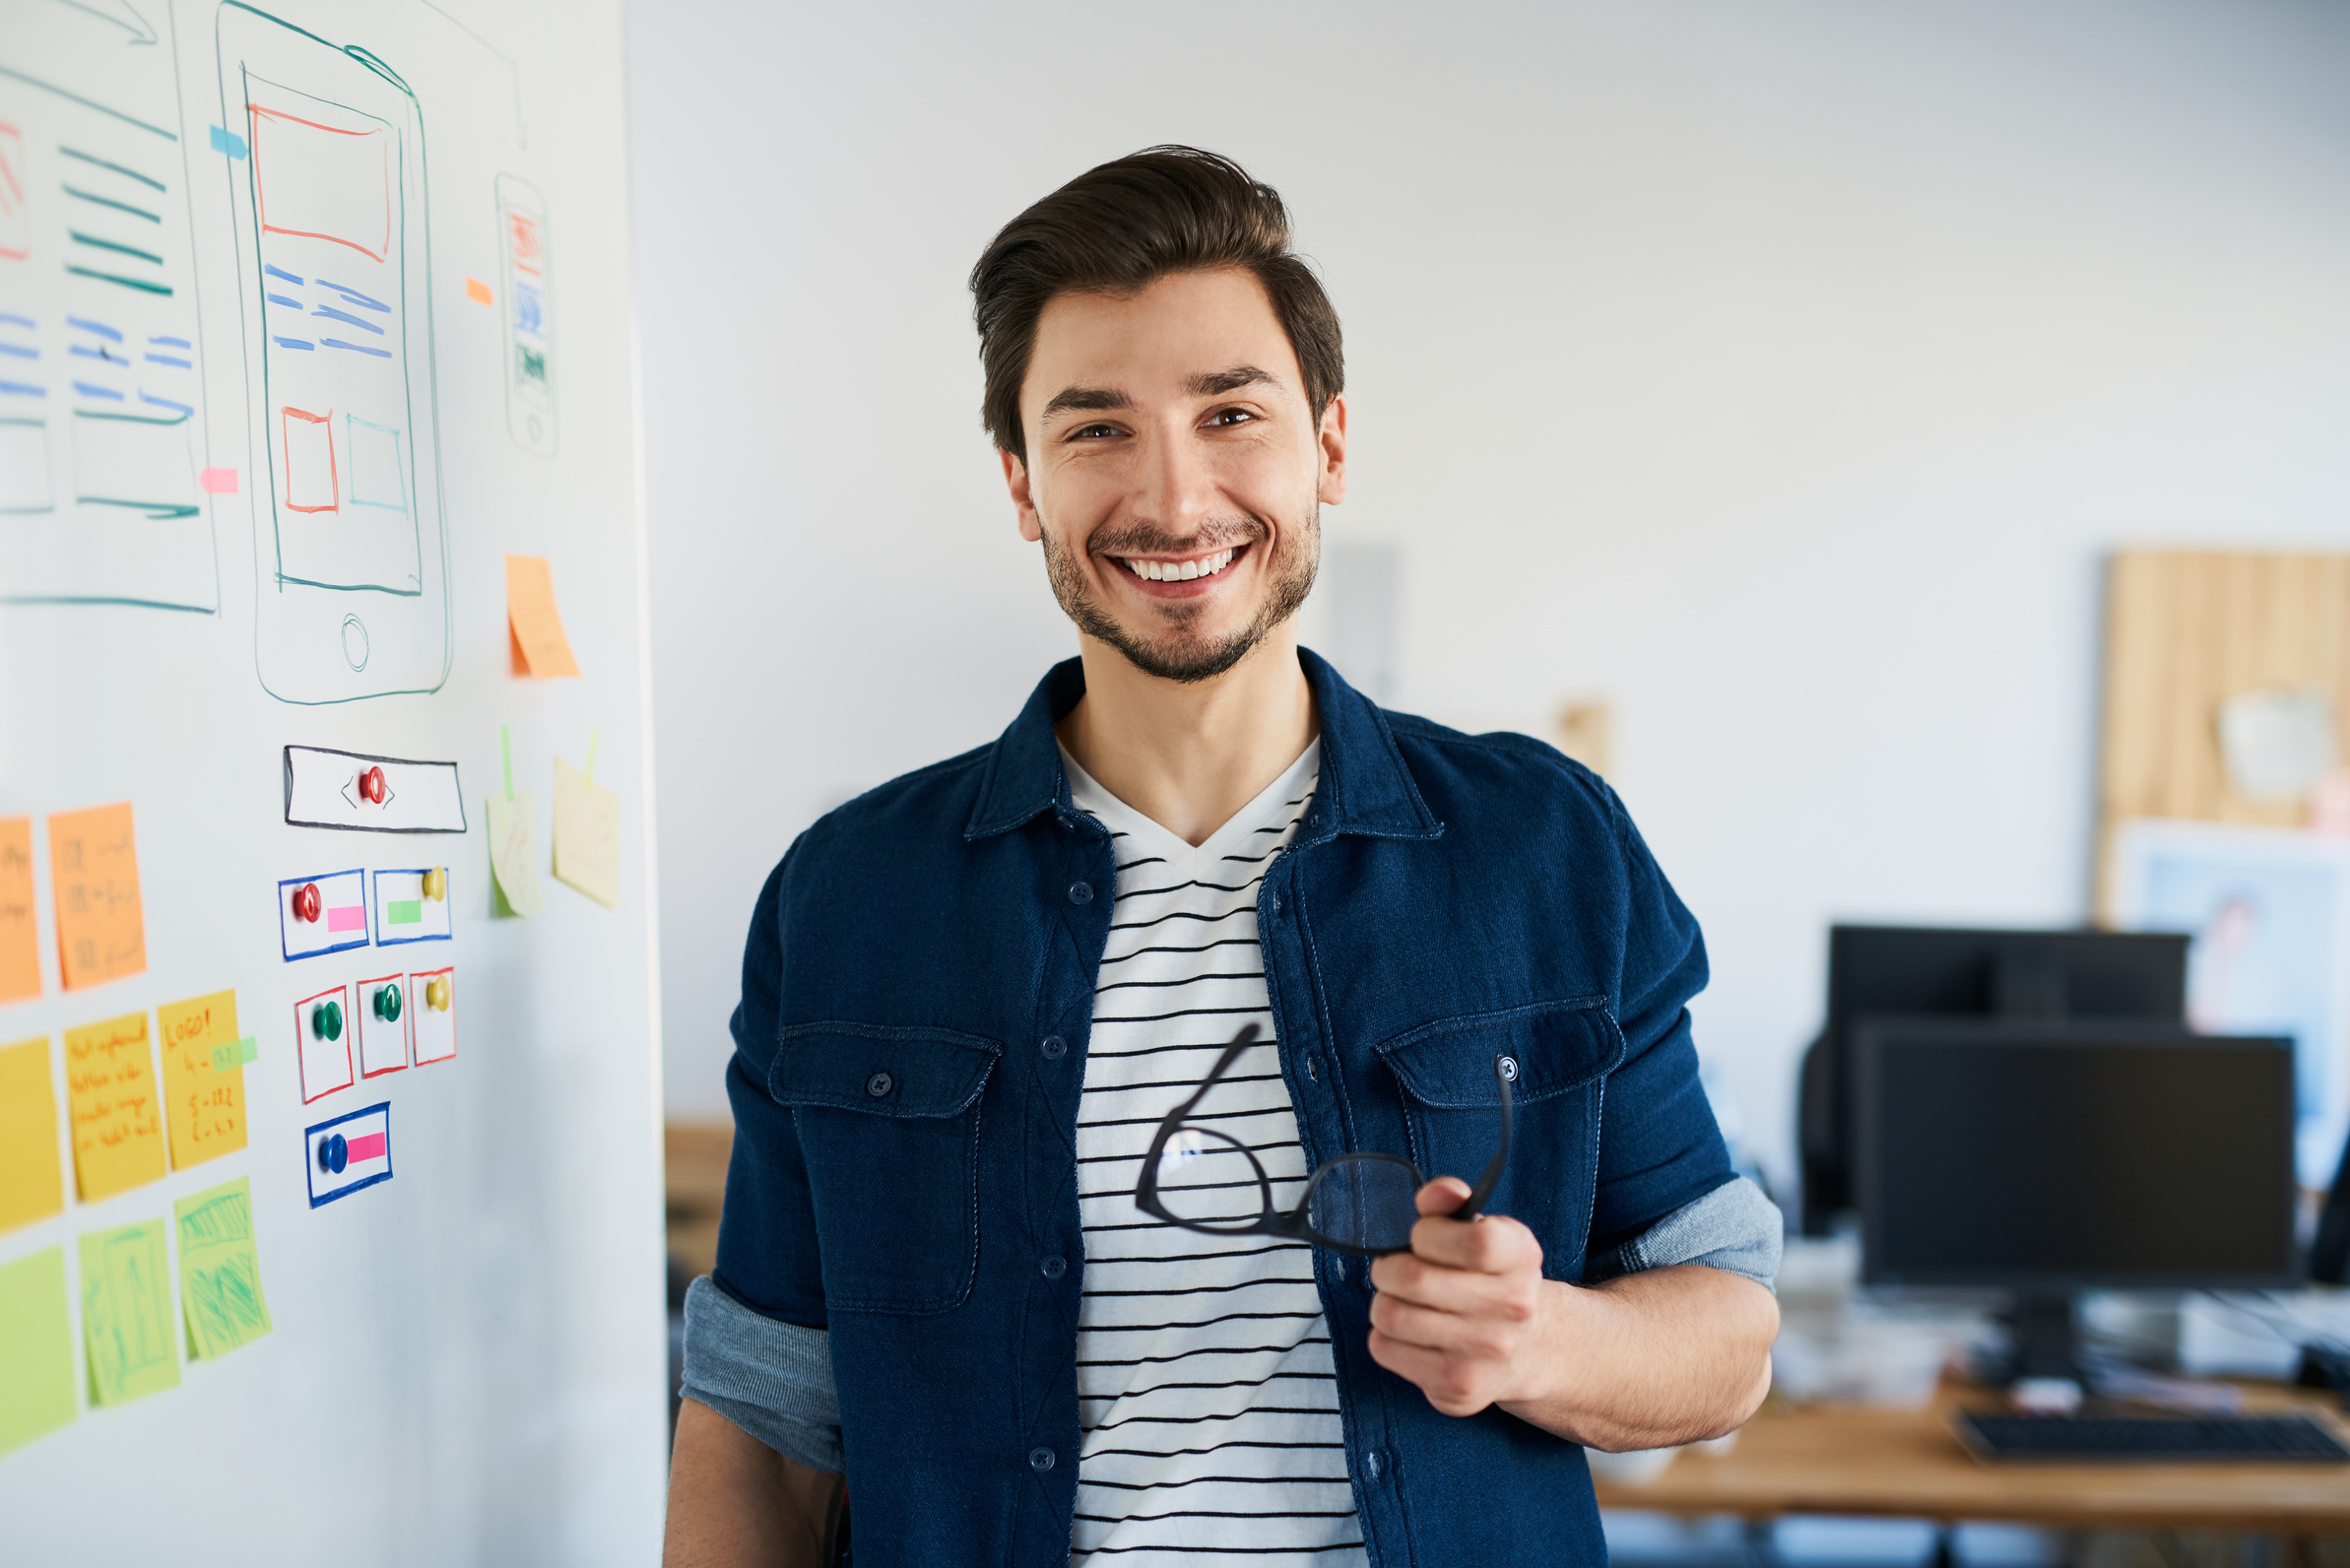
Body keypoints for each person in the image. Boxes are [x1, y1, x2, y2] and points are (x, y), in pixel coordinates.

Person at [665, 146, 1782, 1568]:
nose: (1175, 502)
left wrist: (1545, 1338)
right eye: (1096, 431)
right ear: (1020, 482)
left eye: (1228, 414)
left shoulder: (1543, 846)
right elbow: (761, 1426)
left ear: (1325, 443)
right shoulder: (849, 896)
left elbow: (1727, 1329)